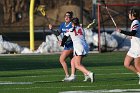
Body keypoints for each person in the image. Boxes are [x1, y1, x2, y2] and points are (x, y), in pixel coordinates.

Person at [60, 17, 94, 83]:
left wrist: (62, 43)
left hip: (78, 47)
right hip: (85, 46)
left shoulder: (70, 29)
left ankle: (89, 73)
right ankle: (73, 76)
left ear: (72, 23)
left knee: (77, 65)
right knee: (73, 61)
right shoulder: (81, 29)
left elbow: (65, 38)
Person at [116, 6, 140, 84]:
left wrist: (121, 31)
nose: (128, 14)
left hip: (138, 48)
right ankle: (139, 74)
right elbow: (134, 34)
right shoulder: (134, 22)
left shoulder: (135, 22)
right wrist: (131, 36)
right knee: (126, 64)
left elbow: (133, 32)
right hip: (133, 48)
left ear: (133, 14)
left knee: (137, 65)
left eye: (130, 13)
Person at [49, 11, 75, 81]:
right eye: (65, 16)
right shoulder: (62, 24)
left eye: (68, 16)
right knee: (75, 62)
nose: (66, 17)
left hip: (71, 45)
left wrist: (63, 42)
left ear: (71, 18)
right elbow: (57, 33)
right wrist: (51, 29)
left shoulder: (72, 25)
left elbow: (71, 37)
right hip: (66, 45)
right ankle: (86, 74)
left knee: (62, 59)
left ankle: (67, 76)